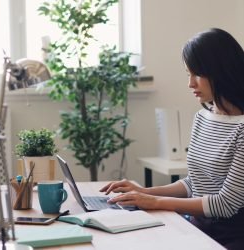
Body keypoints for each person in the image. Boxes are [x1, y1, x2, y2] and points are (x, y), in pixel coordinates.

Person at [100, 28, 244, 250]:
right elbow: (195, 183)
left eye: (197, 74)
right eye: (188, 74)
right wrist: (143, 192)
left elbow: (226, 204)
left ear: (221, 71)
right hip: (196, 227)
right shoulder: (203, 117)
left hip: (229, 238)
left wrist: (155, 202)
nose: (190, 84)